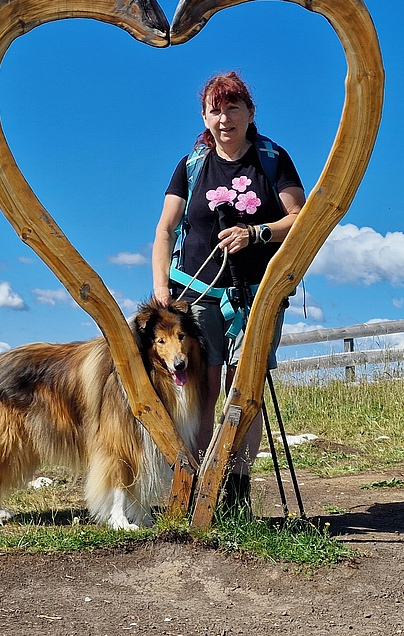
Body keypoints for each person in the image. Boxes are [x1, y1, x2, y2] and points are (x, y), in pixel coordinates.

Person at [152, 71, 306, 510]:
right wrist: (161, 286)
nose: (225, 119)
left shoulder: (272, 159)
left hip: (257, 294)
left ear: (250, 113)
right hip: (197, 294)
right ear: (204, 117)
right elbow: (165, 229)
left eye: (233, 108)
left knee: (245, 390)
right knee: (202, 390)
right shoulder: (191, 166)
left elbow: (301, 217)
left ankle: (235, 491)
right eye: (215, 110)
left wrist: (256, 233)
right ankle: (199, 487)